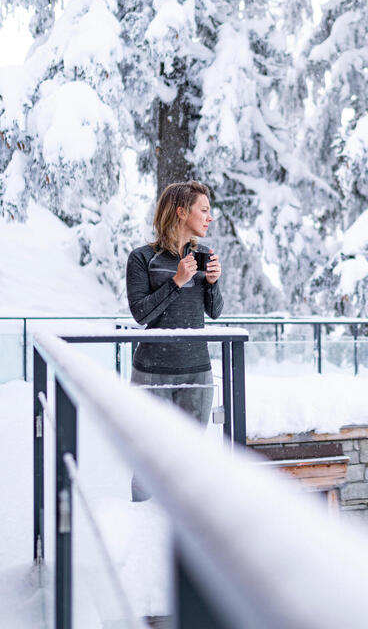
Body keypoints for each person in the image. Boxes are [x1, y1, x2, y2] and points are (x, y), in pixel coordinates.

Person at [125, 180, 224, 501]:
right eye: (204, 210)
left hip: (198, 372)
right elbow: (141, 314)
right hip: (152, 373)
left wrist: (212, 283)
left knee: (191, 459)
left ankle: (184, 534)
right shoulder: (142, 258)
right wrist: (177, 282)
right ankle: (142, 527)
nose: (210, 217)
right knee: (149, 458)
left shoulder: (205, 254)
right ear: (182, 212)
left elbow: (215, 312)